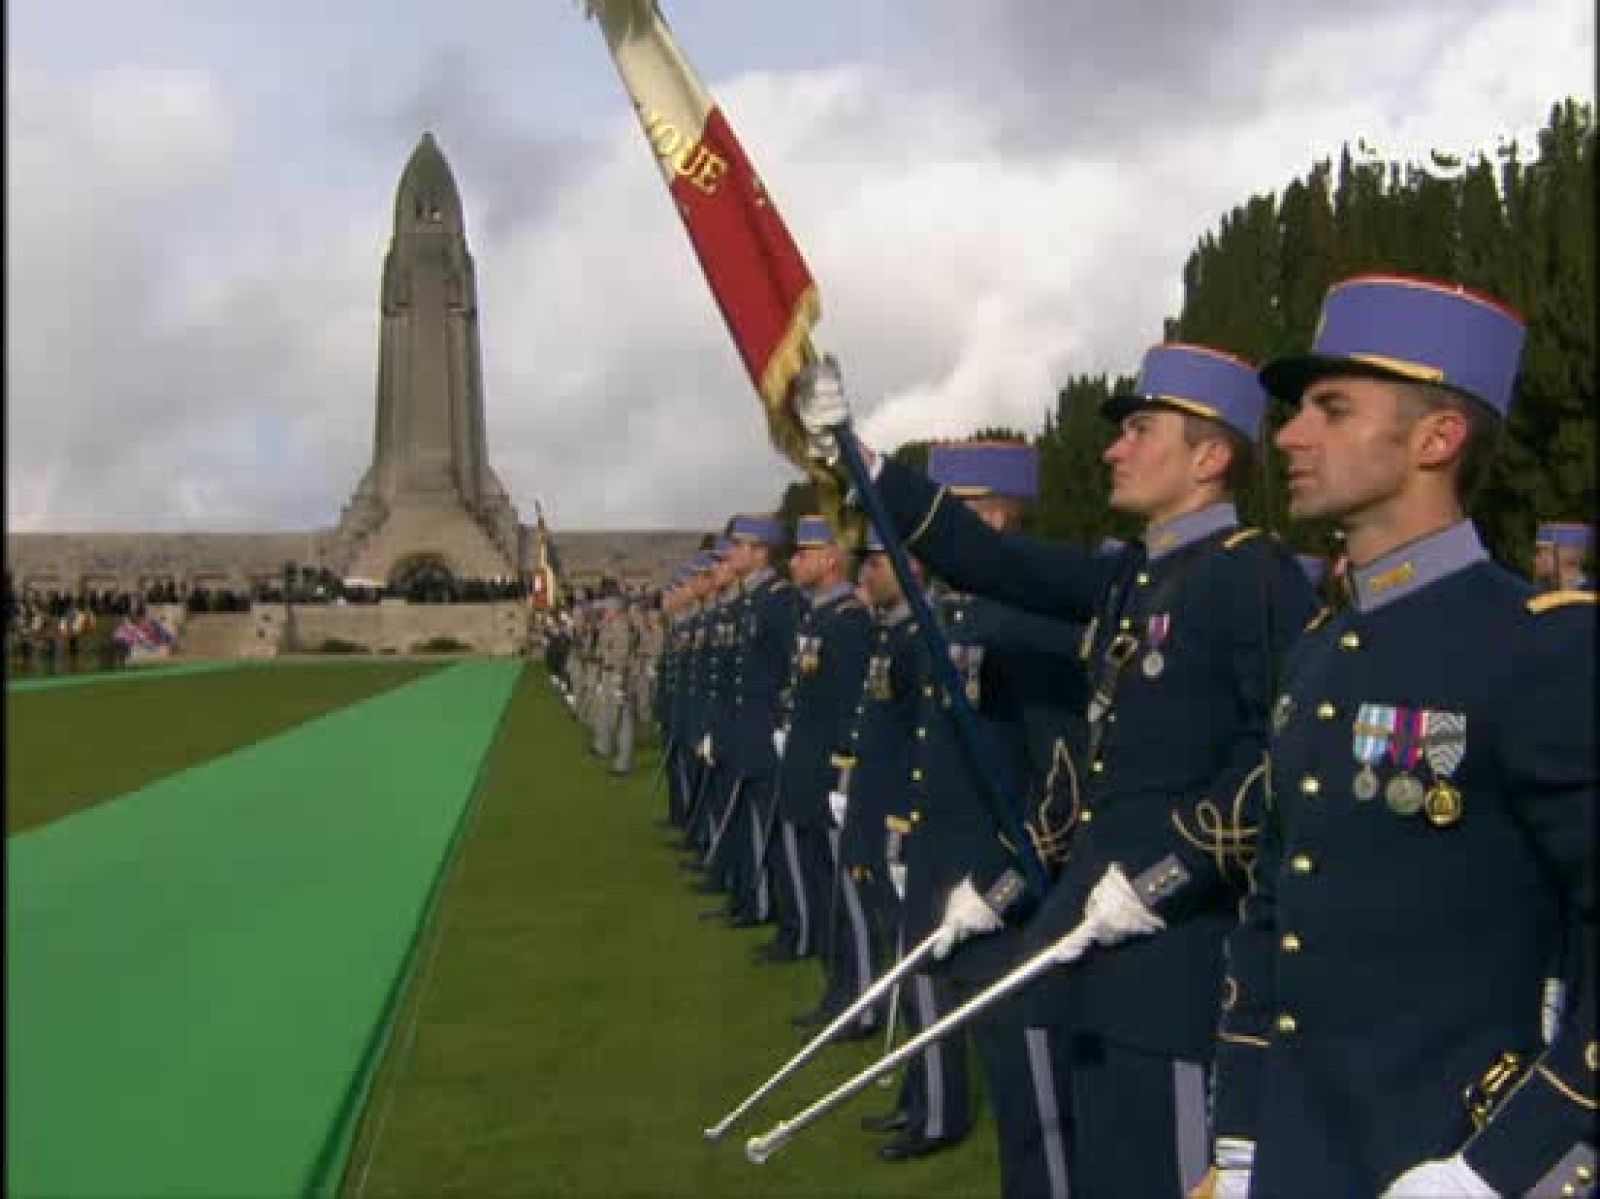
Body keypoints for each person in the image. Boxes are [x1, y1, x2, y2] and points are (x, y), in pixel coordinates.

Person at [790, 342, 1317, 1197]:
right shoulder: (1136, 579)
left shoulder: (1249, 575)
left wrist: (1170, 870)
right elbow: (985, 556)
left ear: (1211, 456)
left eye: (1141, 430)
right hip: (1098, 948)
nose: (1113, 448)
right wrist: (859, 454)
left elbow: (1280, 755)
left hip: (1177, 958)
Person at [1203, 274, 1595, 1198]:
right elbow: (1274, 912)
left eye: (1332, 409)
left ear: (1437, 437)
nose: (1291, 435)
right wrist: (1240, 1138)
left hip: (1448, 1154)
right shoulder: (1321, 651)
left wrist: (1504, 1165)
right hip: (1302, 1155)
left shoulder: (1539, 644)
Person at [776, 515, 875, 1015]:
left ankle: (858, 1000)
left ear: (831, 559)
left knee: (848, 900)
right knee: (824, 891)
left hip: (832, 778)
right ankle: (838, 992)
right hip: (806, 771)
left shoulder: (850, 622)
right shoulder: (817, 617)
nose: (794, 561)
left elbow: (852, 710)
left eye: (805, 552)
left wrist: (844, 777)